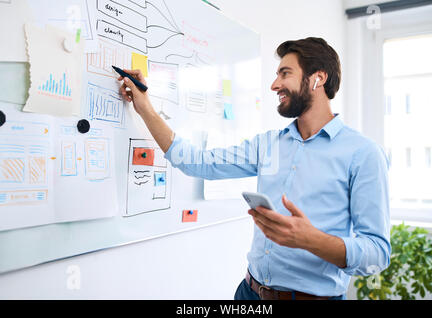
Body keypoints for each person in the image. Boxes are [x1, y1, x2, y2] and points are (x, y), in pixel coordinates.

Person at [118, 37, 391, 300]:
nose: (274, 85)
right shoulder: (268, 144)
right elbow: (197, 162)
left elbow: (377, 254)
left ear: (318, 79)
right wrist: (145, 108)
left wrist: (310, 239)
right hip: (249, 292)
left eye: (285, 73)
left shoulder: (363, 154)